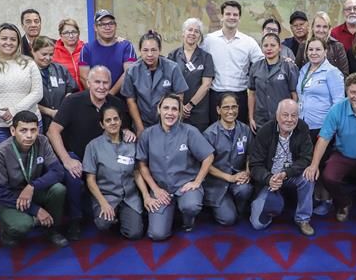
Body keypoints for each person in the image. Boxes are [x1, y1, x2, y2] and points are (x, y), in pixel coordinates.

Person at [47, 65, 134, 240]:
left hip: (105, 158)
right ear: (88, 83)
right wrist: (66, 159)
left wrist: (127, 130)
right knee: (73, 173)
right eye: (97, 82)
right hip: (77, 156)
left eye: (105, 82)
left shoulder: (116, 103)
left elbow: (121, 127)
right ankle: (75, 220)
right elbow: (53, 131)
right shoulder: (73, 101)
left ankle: (123, 212)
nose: (102, 87)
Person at [304, 72, 356, 222]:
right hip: (343, 154)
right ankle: (343, 203)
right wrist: (314, 165)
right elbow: (324, 138)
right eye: (352, 92)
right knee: (328, 177)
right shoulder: (336, 109)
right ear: (346, 92)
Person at [137, 94, 215, 238]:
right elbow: (141, 165)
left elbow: (208, 156)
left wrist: (197, 182)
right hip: (161, 189)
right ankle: (169, 214)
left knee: (190, 206)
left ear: (179, 113)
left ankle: (188, 220)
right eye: (166, 108)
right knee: (157, 235)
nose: (170, 113)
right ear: (159, 109)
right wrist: (155, 189)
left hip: (185, 186)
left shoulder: (189, 131)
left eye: (174, 109)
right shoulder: (147, 134)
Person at [0, 110, 68, 248]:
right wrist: (36, 210)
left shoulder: (42, 141)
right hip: (9, 197)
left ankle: (52, 229)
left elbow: (58, 171)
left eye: (33, 130)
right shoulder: (0, 153)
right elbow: (0, 192)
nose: (29, 135)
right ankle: (8, 232)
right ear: (13, 131)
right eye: (23, 130)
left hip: (32, 191)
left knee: (58, 189)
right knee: (22, 225)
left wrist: (32, 186)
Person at [248, 99, 315, 236]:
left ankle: (303, 219)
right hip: (269, 179)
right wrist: (268, 179)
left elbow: (306, 158)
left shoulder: (302, 128)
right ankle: (274, 203)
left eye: (294, 115)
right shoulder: (265, 131)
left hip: (291, 175)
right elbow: (255, 165)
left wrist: (286, 173)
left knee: (308, 176)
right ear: (277, 116)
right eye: (285, 115)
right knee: (257, 224)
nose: (289, 120)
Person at [0, 22, 43, 150]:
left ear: (18, 42)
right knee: (2, 165)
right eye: (4, 38)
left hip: (29, 126)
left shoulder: (29, 63)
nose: (8, 42)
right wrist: (3, 113)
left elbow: (37, 92)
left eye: (13, 39)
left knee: (31, 164)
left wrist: (14, 111)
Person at [82, 105, 146, 240]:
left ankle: (124, 218)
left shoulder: (131, 143)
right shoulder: (93, 146)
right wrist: (103, 203)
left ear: (121, 121)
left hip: (130, 197)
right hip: (107, 196)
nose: (113, 123)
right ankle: (111, 216)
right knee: (103, 223)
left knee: (135, 234)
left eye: (116, 119)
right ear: (102, 124)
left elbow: (137, 172)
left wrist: (146, 196)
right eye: (108, 120)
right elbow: (90, 179)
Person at [201, 0, 264, 124]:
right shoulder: (209, 40)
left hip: (240, 95)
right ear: (221, 16)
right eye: (228, 14)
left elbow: (263, 62)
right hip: (215, 95)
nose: (232, 17)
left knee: (240, 135)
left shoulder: (248, 42)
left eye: (235, 15)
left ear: (239, 18)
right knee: (215, 135)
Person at [123, 31, 188, 137]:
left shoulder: (172, 68)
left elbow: (179, 97)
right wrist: (140, 128)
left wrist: (170, 123)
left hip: (169, 122)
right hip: (142, 122)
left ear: (160, 50)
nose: (149, 54)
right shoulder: (131, 71)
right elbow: (131, 101)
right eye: (145, 50)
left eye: (154, 50)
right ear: (140, 50)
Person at [202, 93, 254, 224]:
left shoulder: (245, 130)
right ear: (218, 110)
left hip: (238, 178)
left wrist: (247, 172)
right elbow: (206, 166)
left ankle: (237, 206)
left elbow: (250, 154)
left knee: (245, 190)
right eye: (226, 107)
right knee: (228, 219)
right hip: (218, 182)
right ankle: (222, 204)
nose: (231, 111)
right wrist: (229, 178)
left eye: (234, 107)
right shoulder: (209, 134)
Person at [169, 17, 215, 133]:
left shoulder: (206, 57)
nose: (192, 33)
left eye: (196, 31)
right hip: (176, 110)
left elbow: (206, 85)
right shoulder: (172, 55)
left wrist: (189, 106)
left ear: (200, 36)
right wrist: (179, 105)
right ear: (183, 33)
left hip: (199, 112)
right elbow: (169, 83)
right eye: (190, 30)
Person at [79, 9, 137, 97]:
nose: (107, 27)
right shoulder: (87, 48)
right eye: (102, 24)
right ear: (95, 27)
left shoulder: (126, 46)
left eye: (111, 23)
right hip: (95, 100)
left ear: (115, 26)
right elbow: (84, 77)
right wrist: (98, 96)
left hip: (122, 101)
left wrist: (109, 95)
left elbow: (128, 73)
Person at [248, 33, 299, 132]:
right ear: (261, 48)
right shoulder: (255, 67)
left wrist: (294, 117)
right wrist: (251, 118)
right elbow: (251, 94)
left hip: (284, 119)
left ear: (279, 48)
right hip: (261, 119)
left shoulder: (288, 66)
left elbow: (295, 94)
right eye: (265, 45)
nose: (269, 48)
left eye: (273, 45)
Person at [297, 37, 345, 141]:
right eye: (310, 49)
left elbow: (338, 103)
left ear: (325, 51)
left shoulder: (332, 72)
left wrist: (332, 127)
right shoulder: (304, 69)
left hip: (322, 126)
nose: (314, 53)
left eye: (318, 49)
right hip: (302, 123)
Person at [31, 36, 78, 133]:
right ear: (33, 51)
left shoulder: (60, 69)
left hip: (61, 121)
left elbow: (71, 88)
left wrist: (66, 103)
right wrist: (50, 112)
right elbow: (28, 100)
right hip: (38, 122)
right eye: (44, 54)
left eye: (51, 54)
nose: (48, 58)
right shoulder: (27, 72)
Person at [53, 18, 85, 89]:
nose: (71, 36)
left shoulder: (86, 50)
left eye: (74, 32)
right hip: (66, 96)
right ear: (61, 35)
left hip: (86, 94)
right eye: (66, 33)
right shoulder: (54, 53)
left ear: (78, 33)